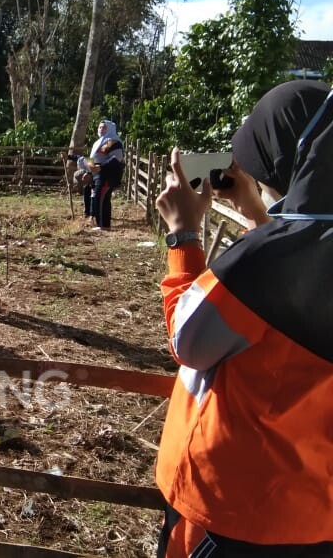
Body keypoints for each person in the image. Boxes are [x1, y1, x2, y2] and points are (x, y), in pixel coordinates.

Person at [153, 80, 333, 556]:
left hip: (230, 511)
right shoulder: (301, 253)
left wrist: (182, 238)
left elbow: (188, 339)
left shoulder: (262, 265)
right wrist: (258, 216)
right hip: (312, 515)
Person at [73, 120, 124, 229]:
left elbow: (116, 159)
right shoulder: (99, 142)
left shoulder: (113, 141)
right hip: (98, 174)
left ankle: (101, 225)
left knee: (101, 197)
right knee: (101, 198)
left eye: (104, 128)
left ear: (110, 129)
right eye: (100, 127)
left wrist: (101, 167)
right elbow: (95, 160)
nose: (101, 129)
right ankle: (102, 224)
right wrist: (88, 171)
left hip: (108, 175)